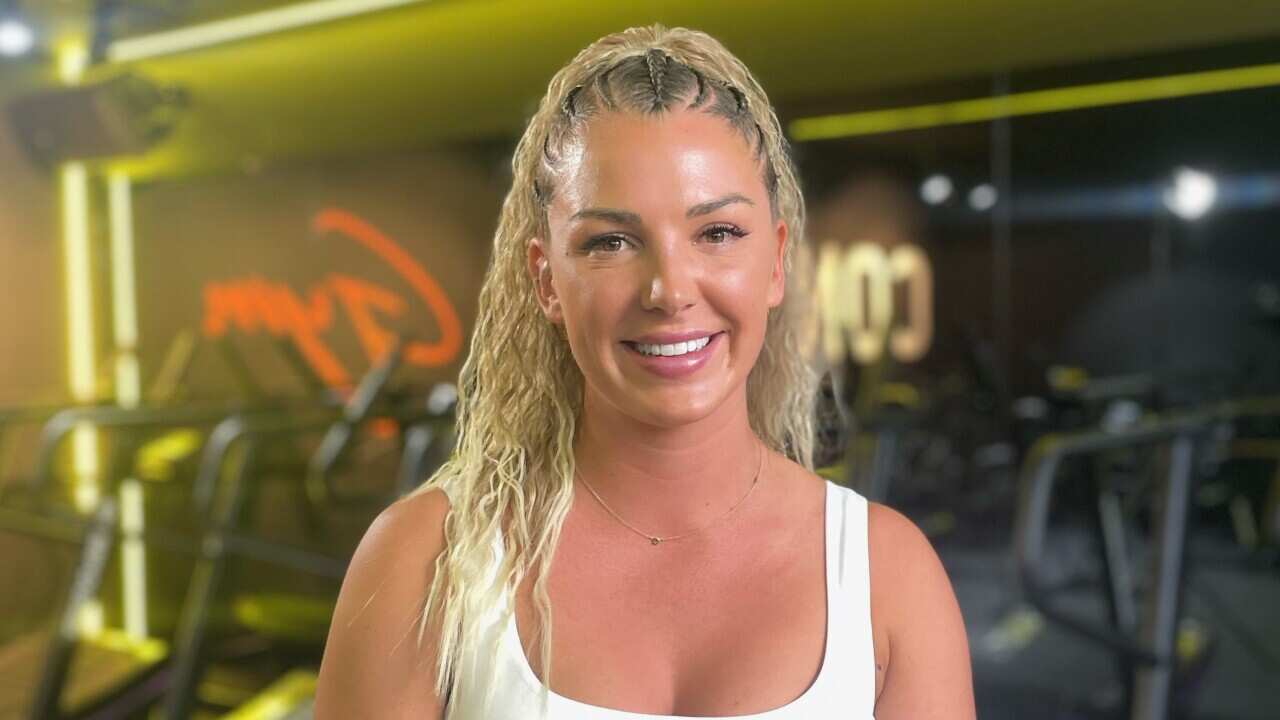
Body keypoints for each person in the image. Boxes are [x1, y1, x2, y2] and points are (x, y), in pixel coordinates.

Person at [315, 24, 973, 719]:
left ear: (777, 261)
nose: (670, 289)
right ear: (545, 281)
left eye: (717, 234)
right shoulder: (425, 563)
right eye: (612, 241)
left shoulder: (887, 576)